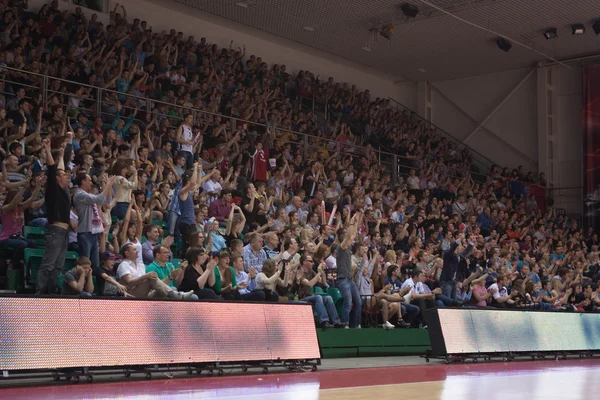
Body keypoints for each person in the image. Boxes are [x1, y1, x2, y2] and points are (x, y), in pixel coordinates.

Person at [37, 136, 72, 294]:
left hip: (64, 232)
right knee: (48, 265)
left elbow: (59, 169)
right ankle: (41, 293)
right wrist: (48, 149)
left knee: (58, 265)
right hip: (56, 231)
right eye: (64, 175)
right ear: (58, 179)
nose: (67, 176)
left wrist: (61, 155)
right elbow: (53, 170)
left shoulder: (64, 191)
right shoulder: (53, 189)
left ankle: (52, 293)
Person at [116, 243, 198, 300]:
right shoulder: (124, 265)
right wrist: (146, 276)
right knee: (151, 278)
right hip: (132, 294)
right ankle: (175, 294)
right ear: (127, 253)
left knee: (191, 297)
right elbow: (130, 282)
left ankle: (175, 296)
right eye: (134, 250)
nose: (137, 251)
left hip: (147, 293)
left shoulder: (141, 265)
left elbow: (176, 283)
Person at [73, 172, 116, 272]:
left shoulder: (88, 196)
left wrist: (108, 186)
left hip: (93, 234)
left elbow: (106, 202)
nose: (91, 182)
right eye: (89, 180)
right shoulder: (79, 194)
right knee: (85, 264)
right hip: (85, 233)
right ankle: (81, 286)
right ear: (83, 181)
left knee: (95, 266)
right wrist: (108, 184)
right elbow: (99, 198)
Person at [336, 211, 363, 328]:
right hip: (342, 280)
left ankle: (356, 325)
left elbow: (352, 235)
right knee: (348, 303)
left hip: (349, 280)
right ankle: (345, 324)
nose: (350, 240)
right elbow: (348, 237)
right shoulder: (340, 248)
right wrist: (351, 223)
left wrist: (356, 222)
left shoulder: (347, 247)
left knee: (358, 302)